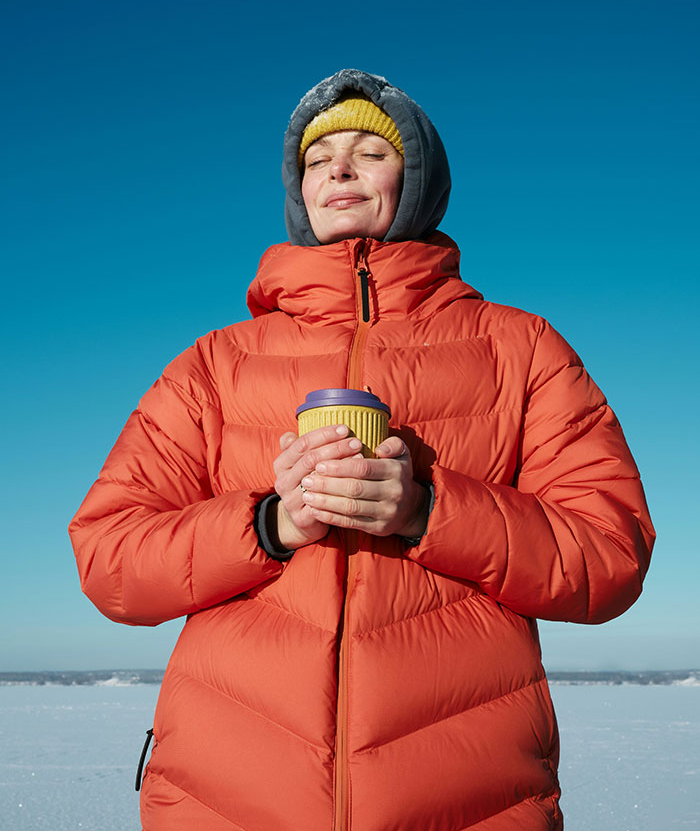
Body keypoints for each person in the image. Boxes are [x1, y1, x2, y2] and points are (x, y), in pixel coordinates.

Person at [69, 69, 655, 831]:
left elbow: (610, 555)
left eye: (369, 151)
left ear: (418, 181)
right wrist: (269, 525)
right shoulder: (213, 366)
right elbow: (109, 559)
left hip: (469, 804)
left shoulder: (521, 349)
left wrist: (427, 510)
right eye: (318, 159)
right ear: (299, 193)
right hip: (224, 801)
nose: (338, 169)